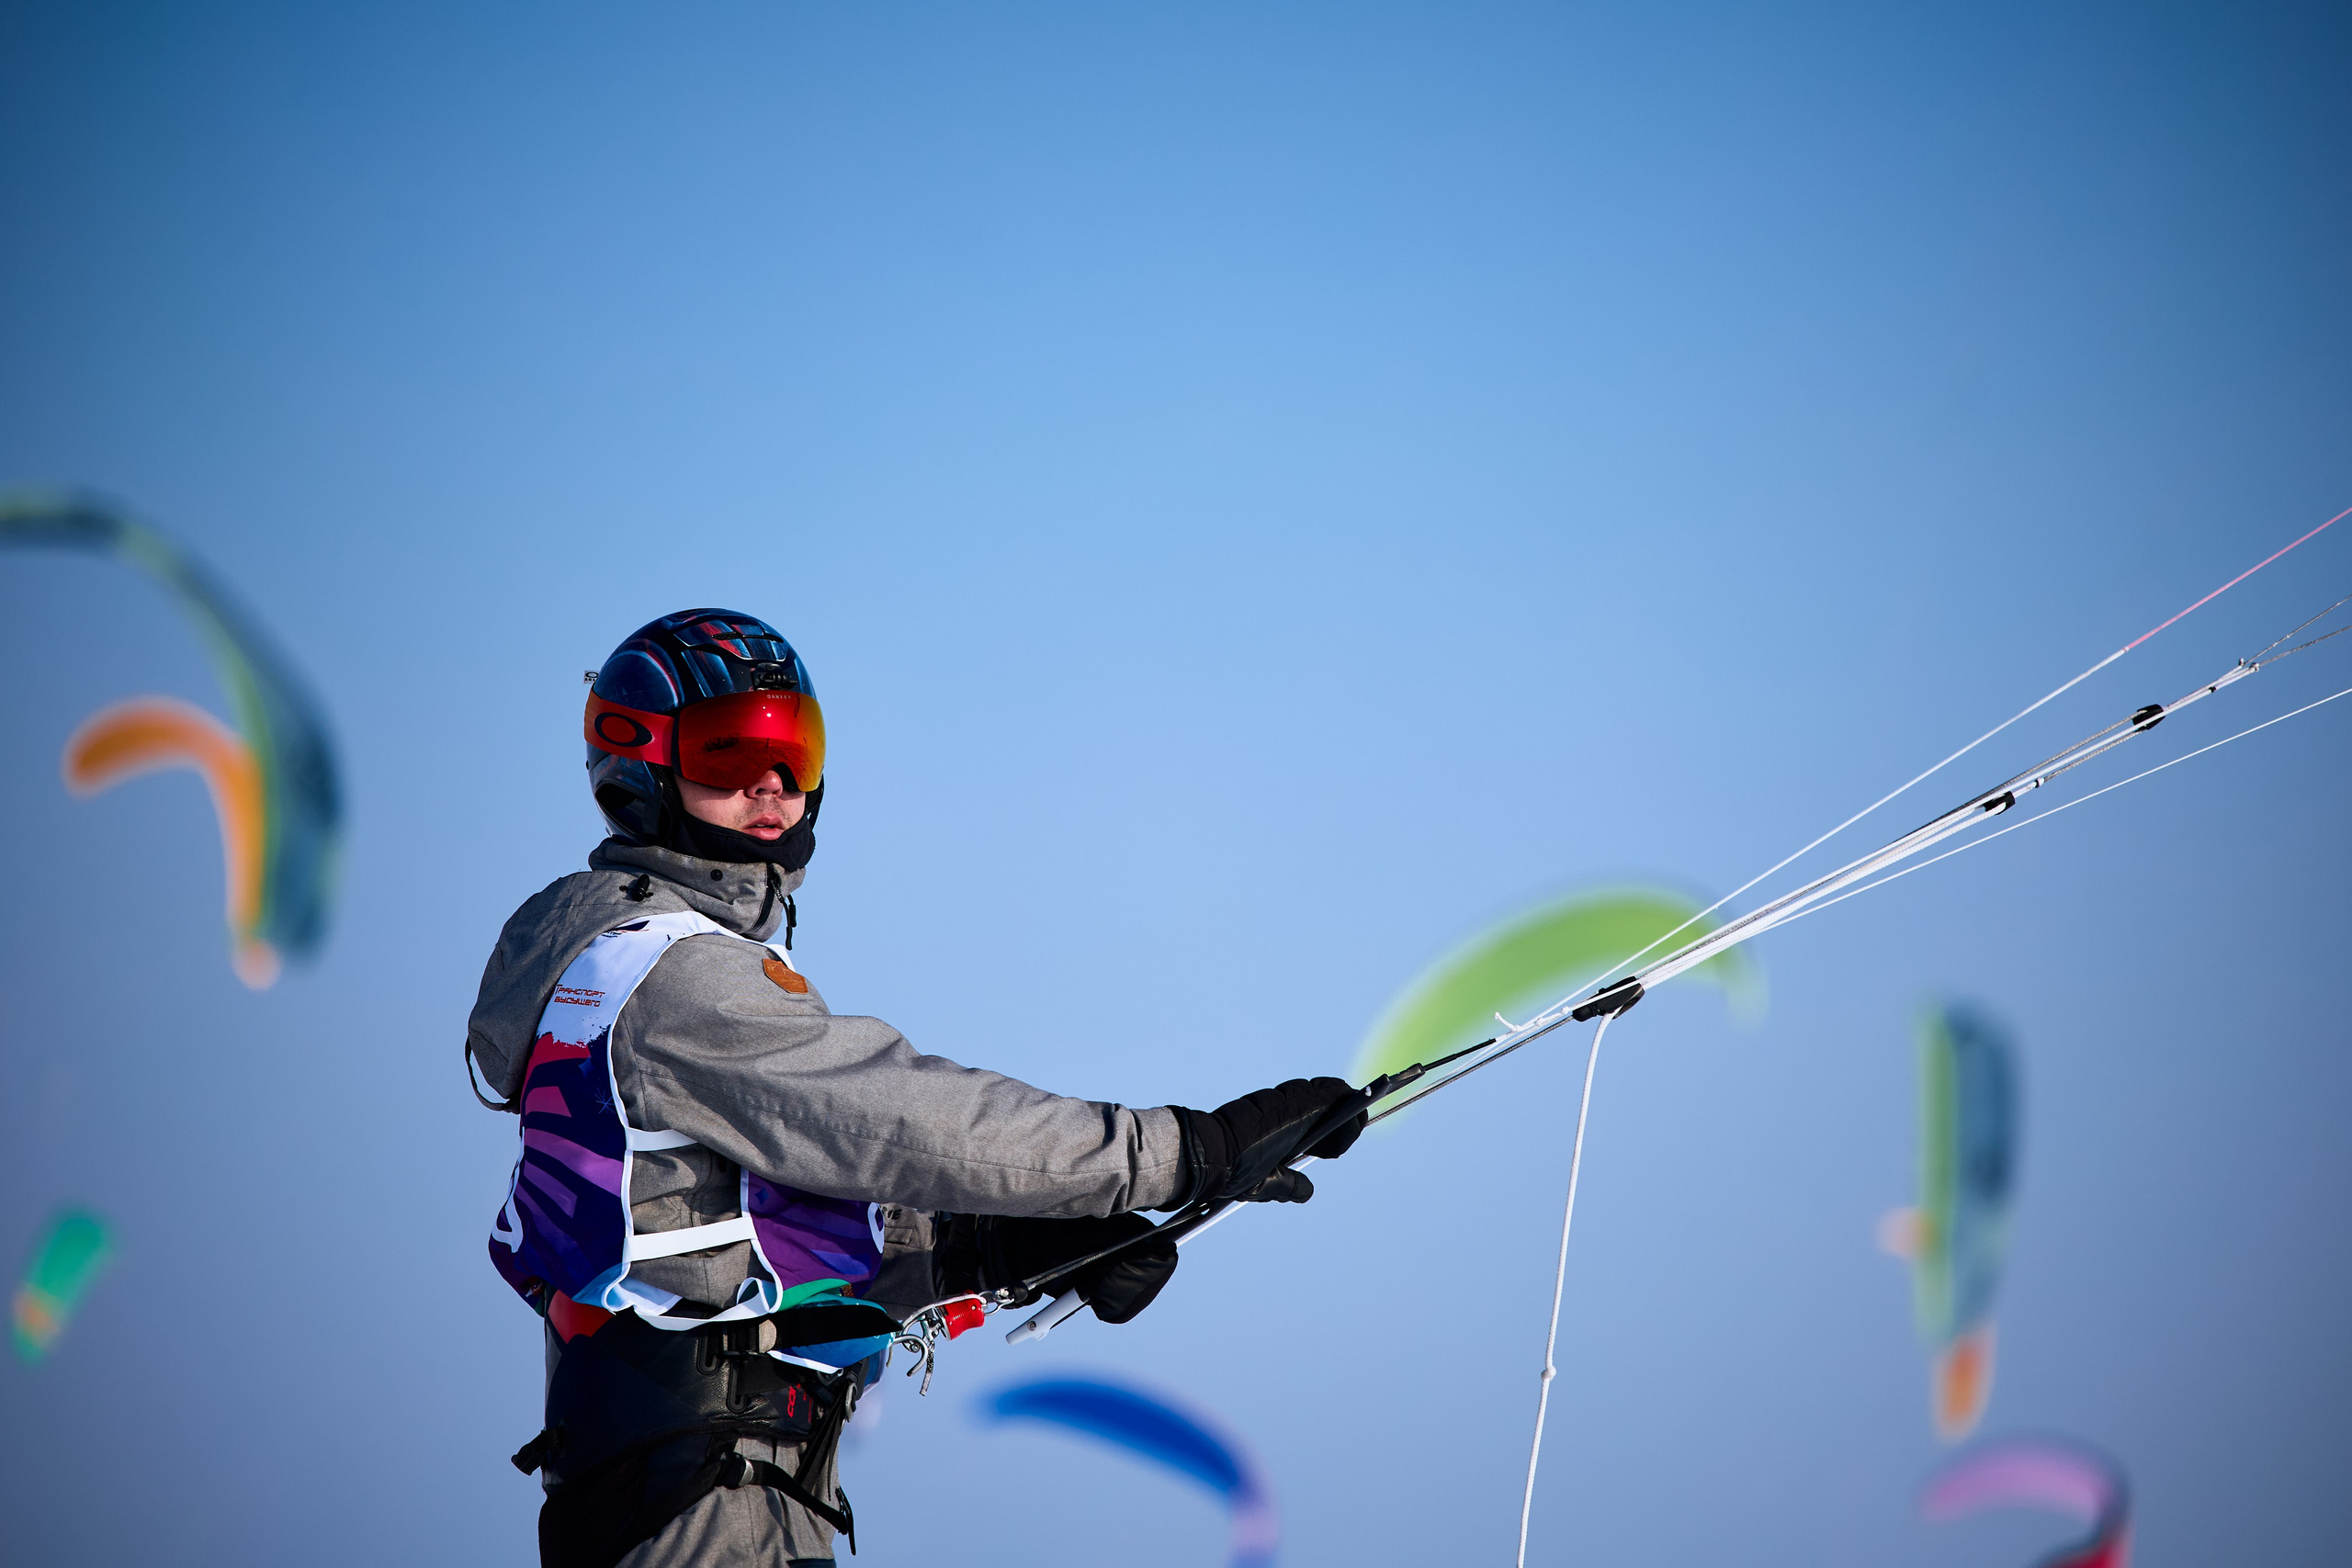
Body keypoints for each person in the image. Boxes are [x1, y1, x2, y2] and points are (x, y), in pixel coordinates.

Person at [465, 610, 1365, 1568]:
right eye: (729, 756)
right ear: (638, 765)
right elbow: (897, 1121)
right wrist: (1187, 1153)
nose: (772, 787)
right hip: (701, 1498)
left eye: (791, 753)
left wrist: (991, 1247)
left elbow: (738, 1223)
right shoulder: (671, 975)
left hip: (718, 1485)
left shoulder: (618, 961)